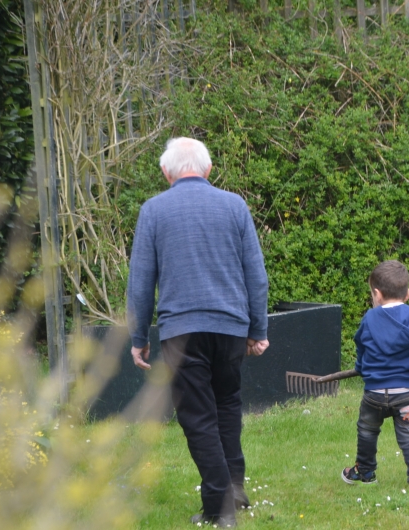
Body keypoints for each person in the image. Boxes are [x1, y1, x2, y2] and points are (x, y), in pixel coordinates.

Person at [127, 137, 269, 528]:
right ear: (208, 170)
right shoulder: (235, 206)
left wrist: (138, 338)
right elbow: (256, 275)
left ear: (165, 172)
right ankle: (234, 488)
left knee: (198, 416)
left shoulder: (154, 210)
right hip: (231, 328)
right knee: (227, 404)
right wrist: (257, 329)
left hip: (182, 331)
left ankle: (220, 508)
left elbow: (141, 283)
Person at [342, 260, 409, 491]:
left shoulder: (370, 318)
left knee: (367, 431)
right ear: (407, 294)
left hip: (374, 394)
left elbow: (361, 345)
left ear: (377, 294)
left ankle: (365, 472)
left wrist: (361, 367)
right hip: (405, 394)